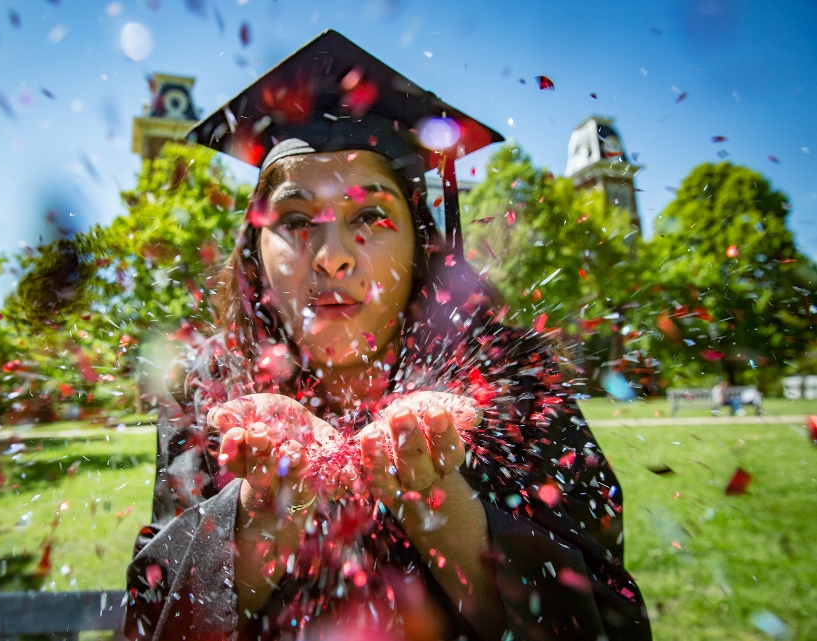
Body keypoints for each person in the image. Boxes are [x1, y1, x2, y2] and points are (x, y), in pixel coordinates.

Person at [124, 30, 651, 641]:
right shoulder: (212, 397)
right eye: (295, 220)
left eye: (369, 215)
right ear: (254, 257)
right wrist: (258, 526)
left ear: (422, 243)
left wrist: (448, 517)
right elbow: (152, 620)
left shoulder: (511, 386)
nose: (331, 257)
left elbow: (610, 623)